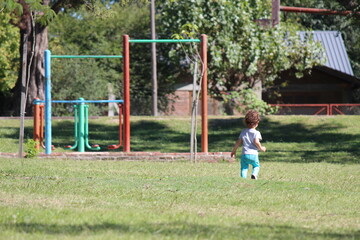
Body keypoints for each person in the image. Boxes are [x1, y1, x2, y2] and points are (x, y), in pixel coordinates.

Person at [231, 110, 266, 179]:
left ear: (246, 122)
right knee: (256, 166)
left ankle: (243, 178)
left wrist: (234, 151)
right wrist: (261, 148)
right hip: (254, 154)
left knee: (244, 167)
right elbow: (256, 141)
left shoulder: (243, 132)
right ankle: (254, 174)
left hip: (244, 154)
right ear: (257, 123)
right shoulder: (256, 133)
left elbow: (238, 142)